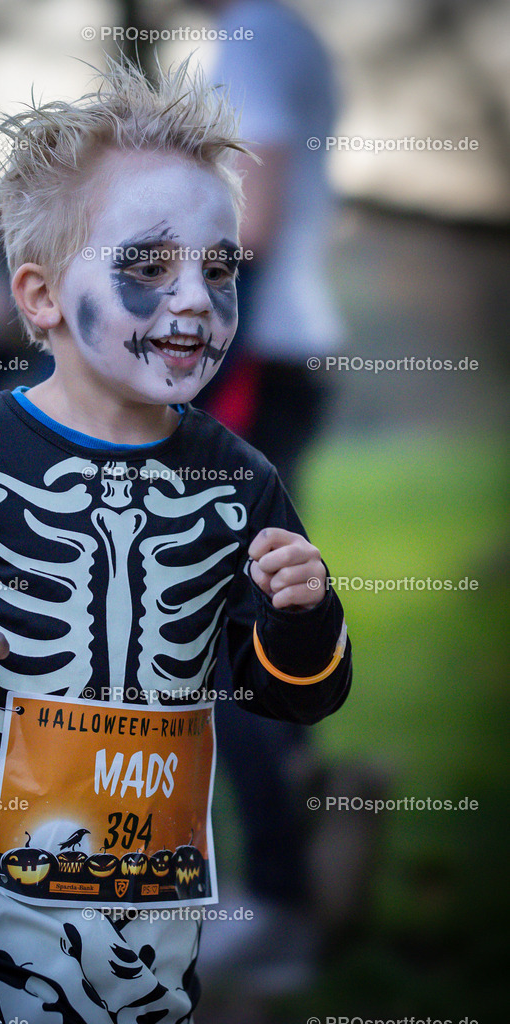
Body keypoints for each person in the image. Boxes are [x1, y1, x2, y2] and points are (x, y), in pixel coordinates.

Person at [0, 55, 351, 1022]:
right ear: (38, 298)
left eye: (220, 268)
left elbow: (287, 692)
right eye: (148, 266)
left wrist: (305, 616)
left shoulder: (240, 482)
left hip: (157, 917)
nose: (194, 297)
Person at [193, 0, 346, 990]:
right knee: (266, 607)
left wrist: (179, 301)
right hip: (287, 350)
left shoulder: (248, 32)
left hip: (257, 350)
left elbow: (255, 207)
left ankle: (281, 906)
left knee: (224, 624)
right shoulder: (278, 30)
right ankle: (291, 830)